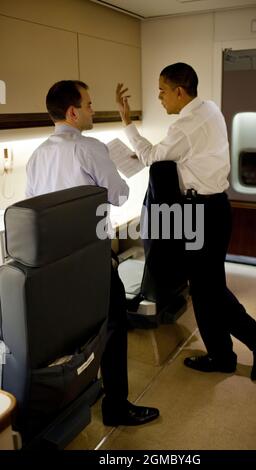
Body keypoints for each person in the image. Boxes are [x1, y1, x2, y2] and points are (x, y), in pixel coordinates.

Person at [116, 62, 256, 381]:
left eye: (162, 92)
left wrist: (127, 123)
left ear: (179, 92)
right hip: (215, 207)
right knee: (206, 289)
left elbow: (153, 157)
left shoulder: (185, 126)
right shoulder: (209, 109)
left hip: (201, 213)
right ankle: (223, 355)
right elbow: (181, 157)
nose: (160, 98)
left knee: (209, 290)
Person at [26, 80, 159, 426]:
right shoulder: (91, 147)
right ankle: (117, 406)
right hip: (90, 258)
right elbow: (117, 195)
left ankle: (81, 389)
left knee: (75, 336)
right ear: (72, 112)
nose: (92, 110)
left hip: (55, 263)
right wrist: (121, 172)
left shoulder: (38, 154)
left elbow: (32, 204)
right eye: (88, 104)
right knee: (114, 326)